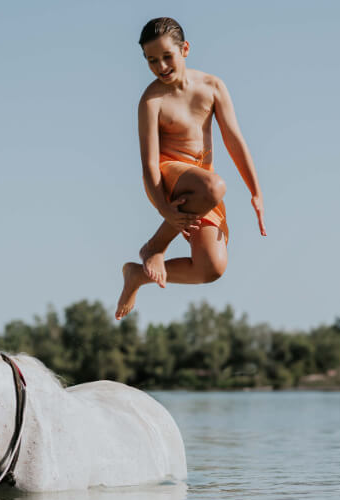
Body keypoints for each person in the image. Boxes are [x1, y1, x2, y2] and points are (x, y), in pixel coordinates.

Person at [115, 17, 266, 320]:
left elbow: (235, 140)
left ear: (184, 49)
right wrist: (164, 210)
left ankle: (136, 276)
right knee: (213, 186)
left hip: (202, 185)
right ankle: (154, 248)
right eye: (152, 61)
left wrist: (256, 192)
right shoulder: (152, 100)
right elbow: (148, 166)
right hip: (169, 177)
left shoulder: (212, 86)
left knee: (212, 268)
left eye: (166, 56)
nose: (161, 66)